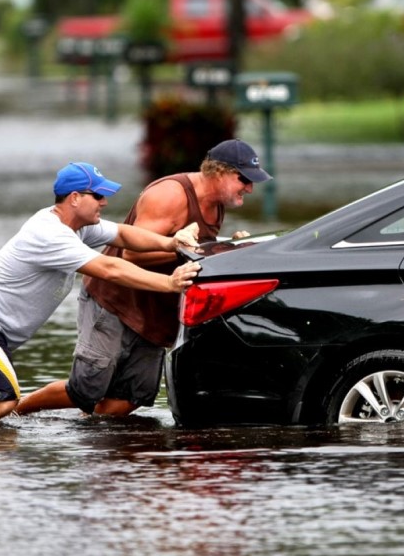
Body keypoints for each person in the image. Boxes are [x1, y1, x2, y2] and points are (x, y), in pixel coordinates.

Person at [0, 162, 201, 421]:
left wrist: (171, 242)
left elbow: (124, 235)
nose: (105, 202)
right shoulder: (50, 234)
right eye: (98, 196)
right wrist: (168, 283)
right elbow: (110, 268)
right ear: (75, 198)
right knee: (3, 399)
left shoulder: (77, 226)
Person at [16, 139, 272, 417]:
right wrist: (201, 251)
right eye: (243, 179)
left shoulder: (216, 202)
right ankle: (15, 411)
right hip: (114, 301)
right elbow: (132, 256)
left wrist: (228, 248)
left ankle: (89, 443)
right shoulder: (170, 195)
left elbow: (196, 250)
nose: (249, 187)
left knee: (132, 397)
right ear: (219, 172)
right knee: (85, 389)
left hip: (154, 308)